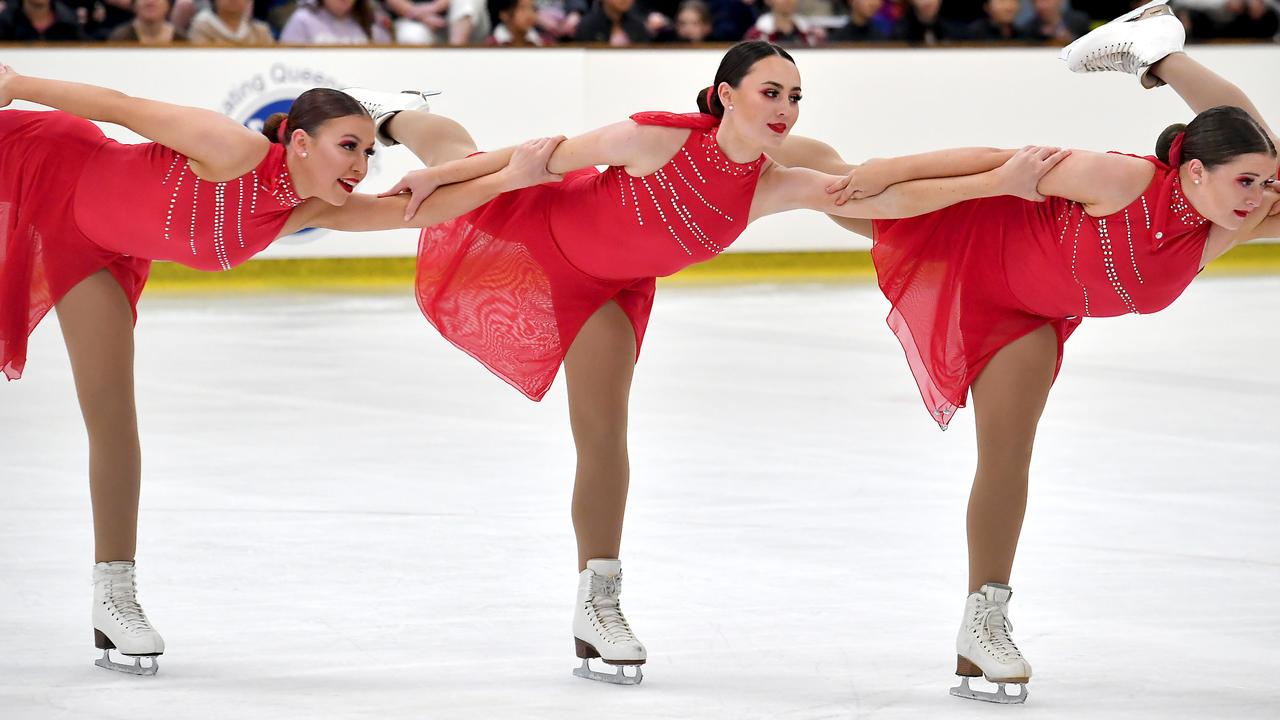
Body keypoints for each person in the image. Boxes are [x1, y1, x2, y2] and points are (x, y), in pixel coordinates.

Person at [345, 39, 1067, 685]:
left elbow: (881, 200)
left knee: (602, 435)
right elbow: (535, 159)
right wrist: (463, 181)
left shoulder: (773, 184)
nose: (784, 109)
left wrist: (991, 184)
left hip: (609, 290)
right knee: (456, 154)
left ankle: (597, 602)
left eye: (794, 97)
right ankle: (401, 115)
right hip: (540, 226)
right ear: (725, 95)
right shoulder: (653, 138)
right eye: (770, 92)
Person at [766, 1, 1277, 703]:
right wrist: (895, 167)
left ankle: (984, 620)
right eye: (1245, 182)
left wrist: (1190, 92)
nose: (1258, 198)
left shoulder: (1229, 219)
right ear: (1193, 173)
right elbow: (998, 161)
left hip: (1028, 315)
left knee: (1007, 455)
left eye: (1264, 184)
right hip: (973, 230)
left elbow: (1247, 141)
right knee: (840, 188)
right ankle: (751, 154)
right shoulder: (1121, 180)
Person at [0, 68, 560, 676]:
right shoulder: (230, 150)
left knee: (112, 421)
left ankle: (114, 596)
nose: (361, 165)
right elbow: (119, 104)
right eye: (349, 146)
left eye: (369, 151)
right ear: (298, 142)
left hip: (92, 251)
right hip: (36, 162)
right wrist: (13, 81)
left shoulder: (305, 209)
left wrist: (513, 177)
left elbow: (410, 214)